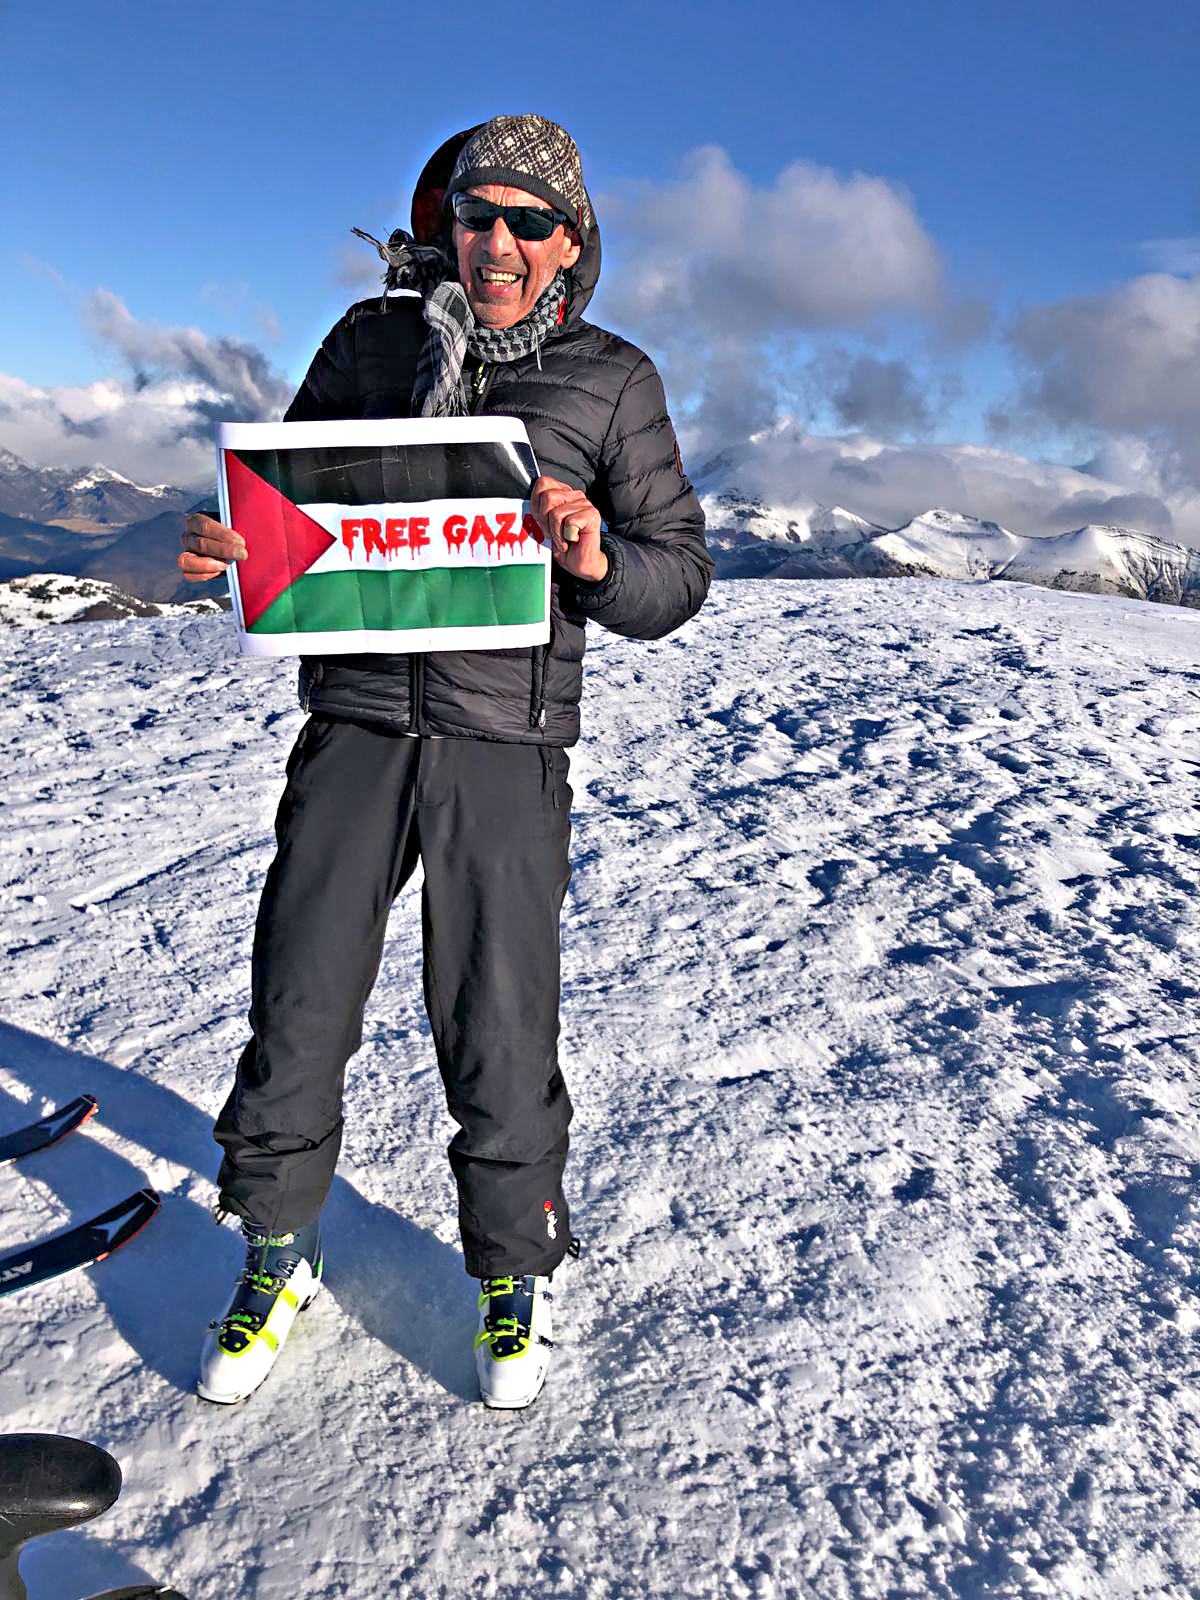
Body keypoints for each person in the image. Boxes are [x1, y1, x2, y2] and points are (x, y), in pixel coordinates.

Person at [180, 114, 712, 1410]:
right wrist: (235, 548)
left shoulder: (612, 380)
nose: (500, 243)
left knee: (497, 1015)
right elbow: (290, 503)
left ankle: (513, 1264)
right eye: (480, 216)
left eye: (532, 223)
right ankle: (277, 1243)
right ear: (446, 224)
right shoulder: (370, 343)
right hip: (356, 724)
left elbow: (678, 575)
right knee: (300, 994)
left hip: (505, 747)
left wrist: (596, 557)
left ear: (572, 244)